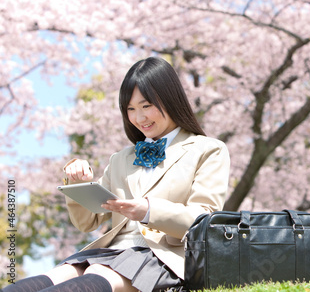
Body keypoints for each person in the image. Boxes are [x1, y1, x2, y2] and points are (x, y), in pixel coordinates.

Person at [3, 57, 230, 292]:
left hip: (163, 258)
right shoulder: (121, 158)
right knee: (22, 288)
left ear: (170, 100)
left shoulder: (208, 149)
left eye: (146, 106)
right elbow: (86, 222)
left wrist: (149, 210)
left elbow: (205, 222)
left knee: (84, 282)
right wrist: (78, 183)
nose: (139, 118)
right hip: (110, 252)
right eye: (130, 109)